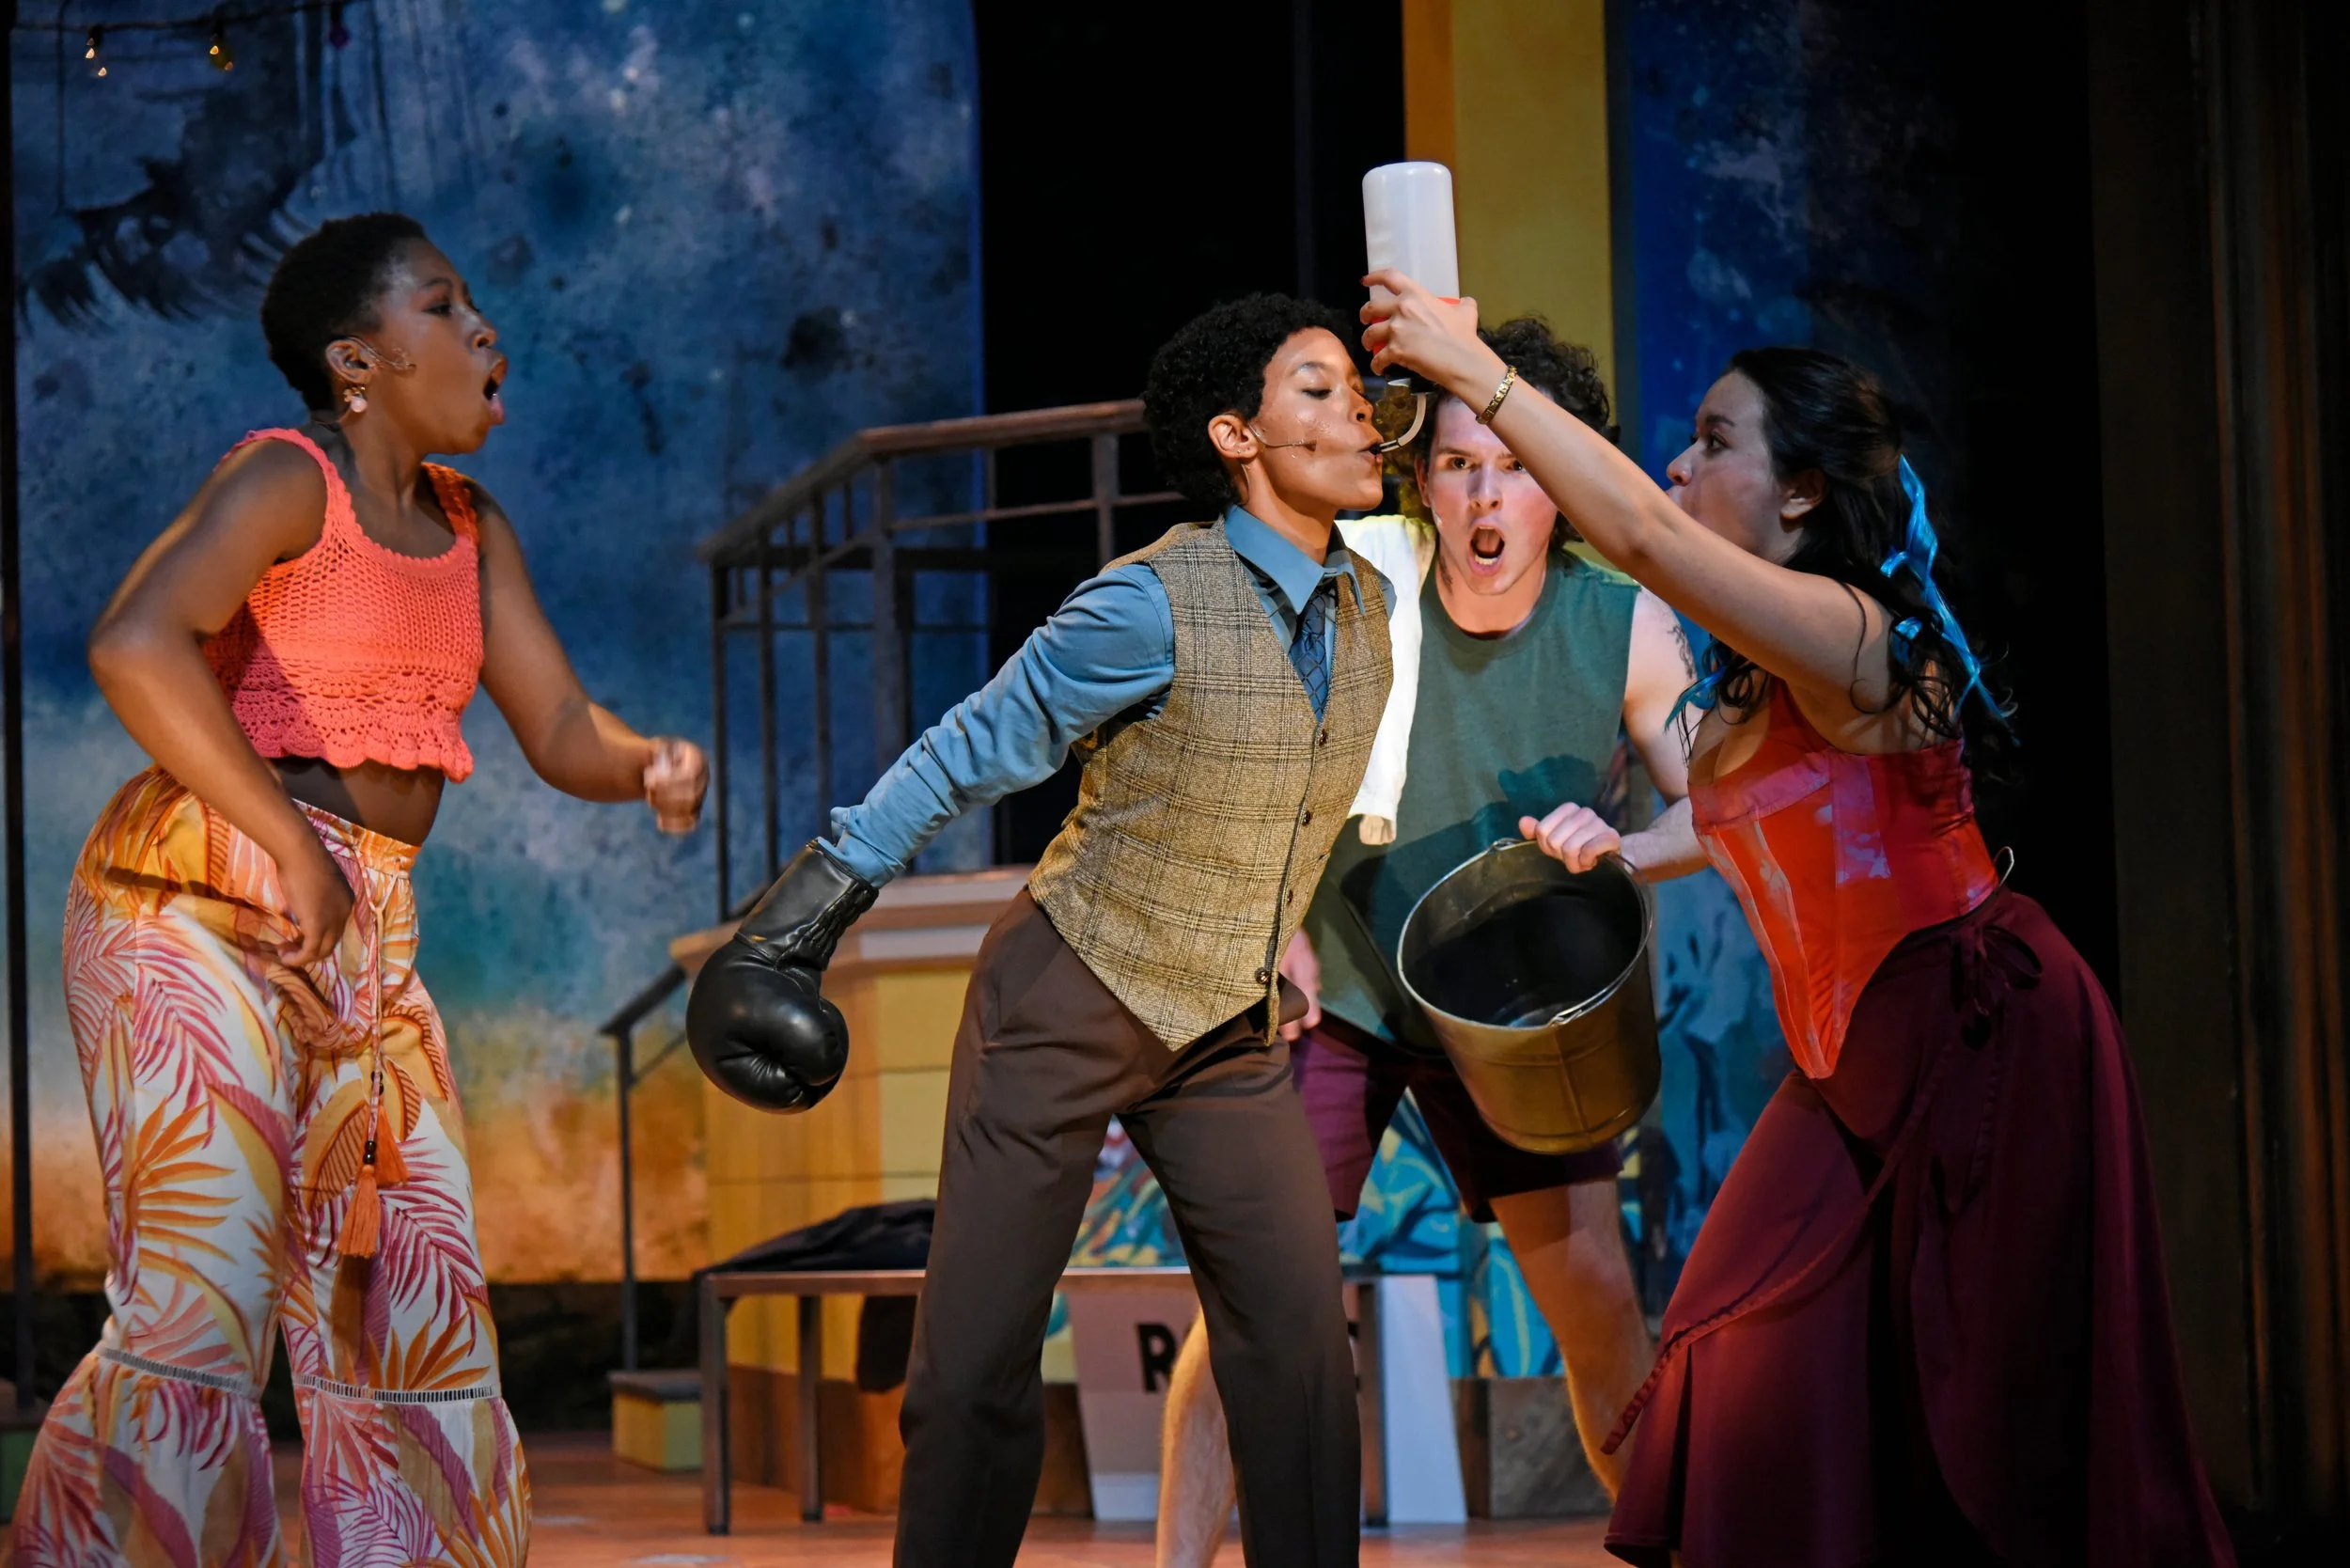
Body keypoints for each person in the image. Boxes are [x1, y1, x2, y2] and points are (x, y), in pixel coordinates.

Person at [1365, 273, 2235, 1566]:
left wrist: (1471, 371)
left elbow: (1642, 538)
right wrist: (1627, 849)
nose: (1681, 462)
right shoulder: (1753, 671)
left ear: (1803, 491)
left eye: (1715, 440)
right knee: (1729, 1350)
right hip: (1843, 1065)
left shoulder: (1855, 633)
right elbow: (1731, 818)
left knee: (2003, 1408)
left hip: (1980, 1038)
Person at [7, 212, 708, 1568]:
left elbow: (561, 725)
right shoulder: (289, 479)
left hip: (362, 929)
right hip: (197, 905)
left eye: (472, 303)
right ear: (357, 361)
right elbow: (136, 642)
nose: (482, 328)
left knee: (414, 1301)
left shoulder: (471, 528)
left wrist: (646, 764)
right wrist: (282, 839)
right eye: (441, 306)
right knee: (204, 1299)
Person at [686, 294, 1394, 1568]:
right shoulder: (1150, 602)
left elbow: (1295, 798)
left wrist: (1279, 933)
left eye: (1357, 387)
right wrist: (795, 926)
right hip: (1068, 995)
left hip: (1224, 1030)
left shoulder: (1369, 606)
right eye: (1319, 389)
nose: (1359, 412)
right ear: (1237, 435)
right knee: (976, 1369)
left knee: (1299, 1356)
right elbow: (967, 749)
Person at [1152, 318, 1697, 1567]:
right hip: (1345, 983)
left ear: (1562, 482)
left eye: (1516, 466)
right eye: (1457, 466)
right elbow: (1230, 749)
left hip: (1523, 1010)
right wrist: (1269, 920)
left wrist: (1626, 847)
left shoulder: (1625, 626)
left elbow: (1714, 807)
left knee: (1599, 1309)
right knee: (1249, 1304)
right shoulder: (1360, 578)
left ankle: (1671, 1548)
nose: (1485, 496)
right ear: (1423, 481)